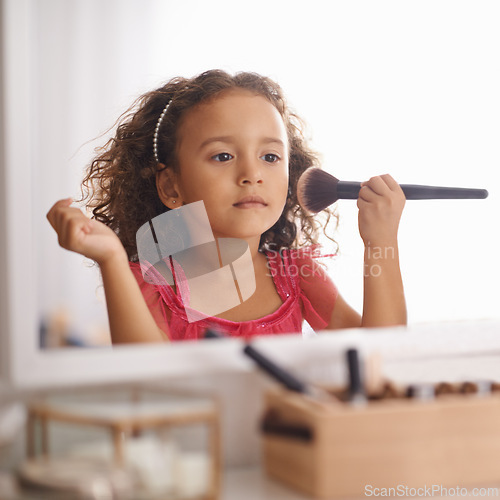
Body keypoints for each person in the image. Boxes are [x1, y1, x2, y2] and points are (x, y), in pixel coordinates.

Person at [47, 70, 406, 344]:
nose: (252, 174)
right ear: (171, 186)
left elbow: (381, 353)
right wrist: (111, 259)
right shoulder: (151, 284)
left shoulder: (296, 274)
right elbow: (147, 380)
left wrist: (381, 242)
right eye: (223, 156)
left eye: (269, 156)